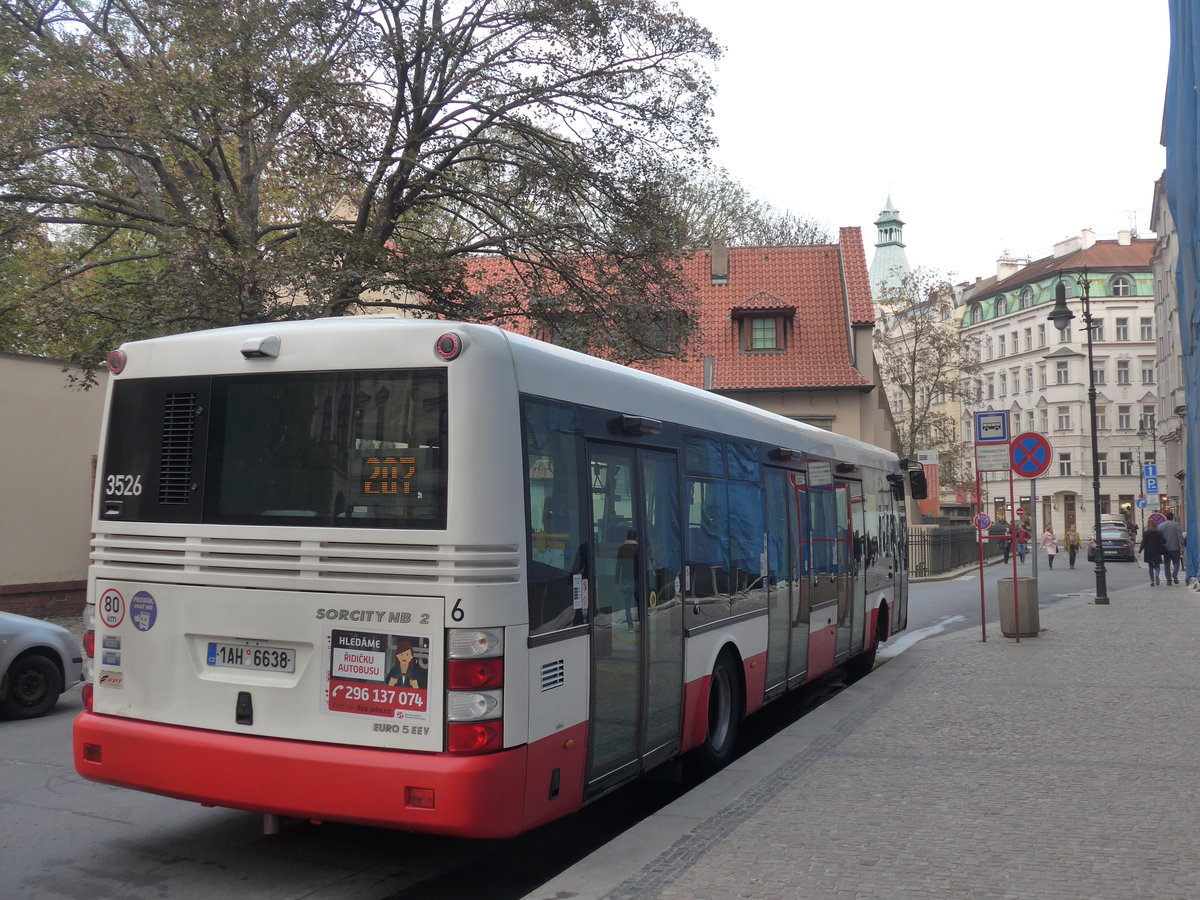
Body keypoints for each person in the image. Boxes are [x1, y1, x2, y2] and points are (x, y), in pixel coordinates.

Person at [1159, 511, 1183, 585]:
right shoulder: (1176, 525)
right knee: (1176, 563)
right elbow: (1180, 537)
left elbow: (1159, 537)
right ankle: (1175, 573)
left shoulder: (1161, 526)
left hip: (1165, 548)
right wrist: (1182, 547)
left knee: (1167, 565)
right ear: (1173, 518)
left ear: (1166, 517)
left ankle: (1169, 581)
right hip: (1175, 547)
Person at [1139, 520, 1166, 586]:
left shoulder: (1146, 533)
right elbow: (1164, 541)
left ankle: (1152, 581)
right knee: (1157, 565)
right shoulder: (1158, 533)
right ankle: (1157, 575)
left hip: (1148, 551)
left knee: (1150, 566)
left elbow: (1143, 543)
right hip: (1157, 551)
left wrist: (1140, 550)